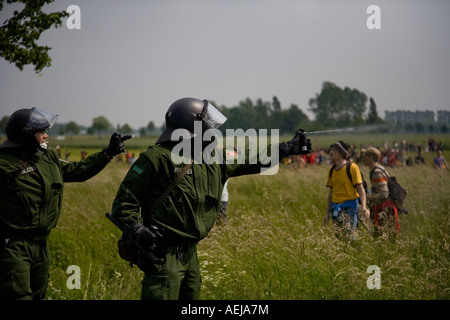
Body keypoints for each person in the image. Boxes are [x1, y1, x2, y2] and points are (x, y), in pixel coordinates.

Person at [111, 97, 312, 300]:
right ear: (191, 124)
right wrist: (137, 229)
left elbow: (250, 158)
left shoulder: (212, 157)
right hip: (164, 255)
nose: (212, 129)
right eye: (208, 123)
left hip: (190, 254)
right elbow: (124, 203)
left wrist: (286, 148)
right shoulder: (156, 158)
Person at [0, 107, 131, 300]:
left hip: (41, 245)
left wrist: (107, 153)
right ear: (26, 135)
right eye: (41, 132)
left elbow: (77, 171)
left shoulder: (47, 158)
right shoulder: (3, 164)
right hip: (13, 246)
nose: (46, 136)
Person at [323, 141, 369, 239]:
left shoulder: (352, 168)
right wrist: (327, 214)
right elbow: (331, 194)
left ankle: (357, 253)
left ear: (341, 153)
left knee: (351, 238)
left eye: (334, 150)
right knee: (339, 239)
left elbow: (360, 189)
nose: (330, 152)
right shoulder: (331, 170)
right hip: (335, 209)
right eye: (330, 150)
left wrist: (364, 207)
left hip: (349, 208)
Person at [361, 147, 400, 235]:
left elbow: (384, 194)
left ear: (371, 157)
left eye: (365, 156)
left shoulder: (377, 172)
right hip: (383, 208)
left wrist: (367, 197)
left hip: (384, 210)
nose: (363, 158)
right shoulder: (378, 169)